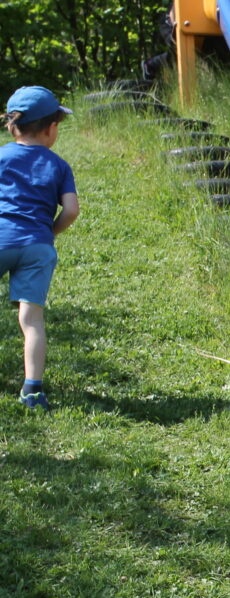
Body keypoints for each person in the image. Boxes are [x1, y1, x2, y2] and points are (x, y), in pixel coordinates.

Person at [1, 87, 79, 412]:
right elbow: (71, 210)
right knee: (31, 319)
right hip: (37, 245)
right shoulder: (59, 166)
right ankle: (32, 390)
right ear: (51, 129)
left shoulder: (2, 156)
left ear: (12, 126)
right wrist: (49, 233)